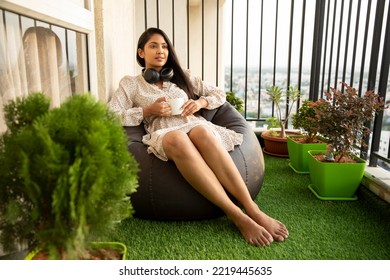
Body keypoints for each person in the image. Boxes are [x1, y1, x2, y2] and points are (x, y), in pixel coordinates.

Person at [108, 27, 288, 246]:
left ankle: (252, 209)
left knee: (202, 131)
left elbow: (219, 94)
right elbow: (111, 115)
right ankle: (236, 214)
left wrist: (200, 102)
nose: (160, 51)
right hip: (163, 132)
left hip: (193, 123)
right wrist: (147, 112)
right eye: (153, 46)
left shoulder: (182, 76)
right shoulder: (130, 84)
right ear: (141, 53)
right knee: (178, 139)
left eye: (164, 46)